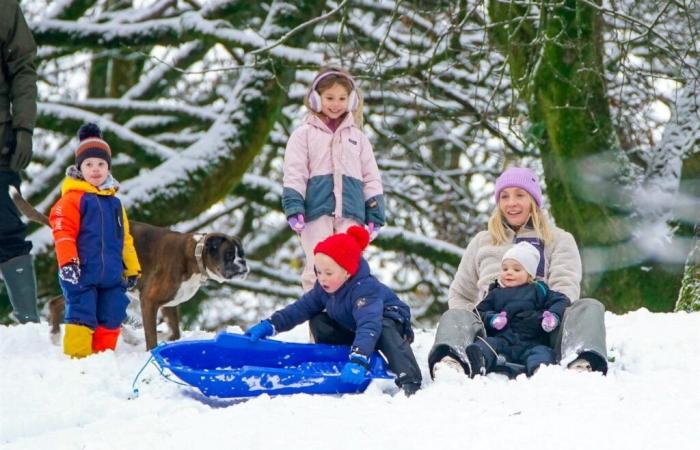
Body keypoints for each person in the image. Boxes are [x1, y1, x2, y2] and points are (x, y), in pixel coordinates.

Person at [428, 166, 608, 377]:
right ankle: (454, 360)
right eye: (504, 196)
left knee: (589, 306)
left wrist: (545, 318)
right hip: (492, 329)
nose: (511, 203)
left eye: (519, 195)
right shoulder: (482, 241)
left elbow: (564, 288)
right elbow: (460, 293)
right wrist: (481, 320)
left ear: (533, 200)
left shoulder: (558, 239)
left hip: (543, 328)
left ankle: (582, 361)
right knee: (455, 314)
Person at [245, 226, 422, 396]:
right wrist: (271, 324)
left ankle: (409, 379)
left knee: (383, 328)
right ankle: (336, 358)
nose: (322, 278)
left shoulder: (365, 289)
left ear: (347, 272)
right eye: (319, 271)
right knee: (319, 321)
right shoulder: (324, 288)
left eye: (328, 273)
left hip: (386, 321)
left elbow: (369, 325)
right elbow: (300, 309)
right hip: (355, 326)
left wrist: (359, 359)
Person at [282, 66, 385, 291]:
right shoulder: (304, 135)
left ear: (351, 101)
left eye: (342, 98)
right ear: (316, 99)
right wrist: (294, 206)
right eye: (329, 98)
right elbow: (295, 173)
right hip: (316, 213)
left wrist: (375, 212)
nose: (335, 104)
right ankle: (318, 324)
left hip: (351, 215)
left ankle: (348, 322)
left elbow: (370, 177)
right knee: (317, 268)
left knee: (350, 269)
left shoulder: (358, 138)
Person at [49, 123, 141, 358]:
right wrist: (68, 263)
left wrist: (132, 268)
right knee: (82, 313)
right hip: (80, 274)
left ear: (108, 168)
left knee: (113, 314)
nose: (96, 169)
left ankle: (101, 359)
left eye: (101, 164)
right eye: (89, 164)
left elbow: (125, 239)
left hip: (111, 274)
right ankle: (77, 360)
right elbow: (63, 232)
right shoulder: (72, 199)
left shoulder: (115, 203)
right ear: (79, 168)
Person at [465, 241, 570, 377]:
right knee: (487, 344)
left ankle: (539, 370)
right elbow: (479, 313)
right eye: (505, 269)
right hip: (503, 340)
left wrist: (553, 316)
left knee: (542, 352)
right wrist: (492, 319)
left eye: (516, 269)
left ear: (530, 274)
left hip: (532, 341)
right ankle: (480, 361)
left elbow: (561, 300)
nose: (509, 273)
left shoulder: (539, 290)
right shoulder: (495, 293)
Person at [0, 0, 40, 324]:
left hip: (1, 145)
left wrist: (24, 127)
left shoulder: (5, 8)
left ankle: (29, 325)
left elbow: (23, 67)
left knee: (8, 230)